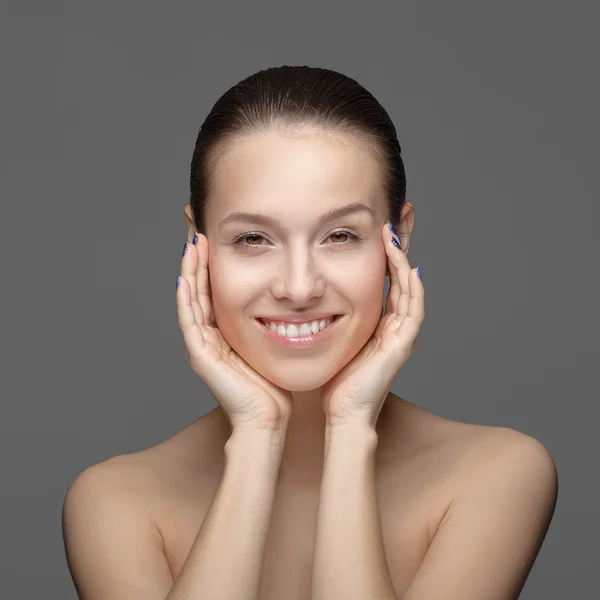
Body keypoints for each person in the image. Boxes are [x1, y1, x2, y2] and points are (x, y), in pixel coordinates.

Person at [62, 65, 558, 600]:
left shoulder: (497, 475)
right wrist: (256, 433)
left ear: (399, 237)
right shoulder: (113, 502)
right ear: (197, 243)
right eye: (253, 239)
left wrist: (349, 429)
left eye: (340, 235)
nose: (299, 288)